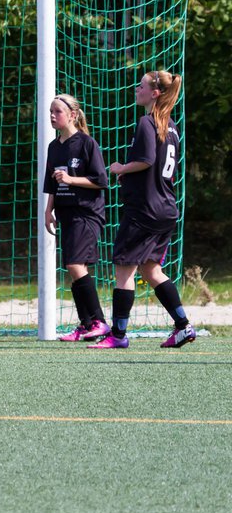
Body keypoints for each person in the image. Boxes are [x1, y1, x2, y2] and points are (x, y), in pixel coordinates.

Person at [90, 70, 195, 349]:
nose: (137, 89)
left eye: (141, 86)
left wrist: (120, 168)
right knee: (151, 271)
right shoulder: (171, 126)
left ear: (155, 93)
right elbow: (158, 166)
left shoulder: (148, 122)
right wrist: (132, 176)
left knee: (124, 272)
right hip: (165, 209)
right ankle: (183, 326)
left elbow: (147, 160)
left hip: (145, 211)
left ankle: (118, 335)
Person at [42, 94, 110, 342]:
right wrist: (48, 210)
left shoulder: (86, 143)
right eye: (51, 111)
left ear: (72, 115)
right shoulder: (54, 146)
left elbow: (101, 181)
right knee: (73, 268)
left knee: (74, 265)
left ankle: (99, 322)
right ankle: (87, 324)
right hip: (65, 212)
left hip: (86, 212)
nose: (52, 115)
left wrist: (71, 180)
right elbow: (51, 181)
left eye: (57, 111)